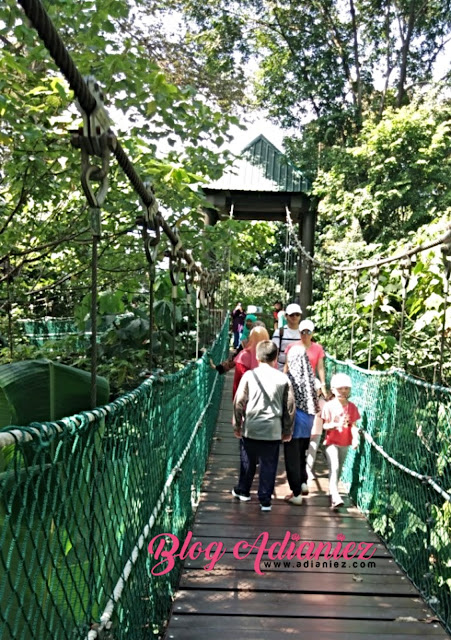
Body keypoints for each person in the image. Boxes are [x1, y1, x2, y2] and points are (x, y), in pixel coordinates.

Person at [232, 340, 295, 511]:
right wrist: (287, 430)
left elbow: (239, 402)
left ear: (258, 357)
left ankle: (243, 491)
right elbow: (290, 407)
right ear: (276, 358)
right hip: (273, 431)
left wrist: (237, 425)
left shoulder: (249, 376)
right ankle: (265, 500)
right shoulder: (283, 379)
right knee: (269, 465)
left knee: (247, 462)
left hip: (251, 428)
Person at [284, 319, 327, 483]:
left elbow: (320, 367)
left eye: (308, 332)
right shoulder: (293, 348)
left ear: (313, 333)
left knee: (298, 445)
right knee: (300, 443)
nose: (305, 335)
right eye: (303, 332)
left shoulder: (317, 348)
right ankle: (303, 478)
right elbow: (287, 367)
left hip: (310, 388)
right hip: (298, 388)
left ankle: (300, 481)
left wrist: (323, 386)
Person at [283, 345, 319, 505]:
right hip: (309, 420)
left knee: (292, 457)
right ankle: (303, 482)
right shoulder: (311, 376)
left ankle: (296, 493)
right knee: (302, 454)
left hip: (294, 421)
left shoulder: (289, 378)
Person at [322, 373, 360, 510]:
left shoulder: (352, 407)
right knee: (335, 466)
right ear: (333, 390)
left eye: (346, 388)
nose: (343, 391)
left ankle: (333, 492)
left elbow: (354, 426)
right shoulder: (329, 406)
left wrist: (355, 439)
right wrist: (331, 425)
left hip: (345, 443)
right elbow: (325, 426)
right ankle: (336, 496)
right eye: (340, 389)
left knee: (338, 471)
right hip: (331, 442)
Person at [232, 326, 270, 397]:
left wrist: (236, 398)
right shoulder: (271, 354)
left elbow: (237, 381)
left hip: (248, 400)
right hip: (267, 399)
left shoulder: (243, 356)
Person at [271, 303, 302, 371]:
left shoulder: (304, 333)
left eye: (297, 314)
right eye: (291, 315)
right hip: (281, 371)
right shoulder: (279, 332)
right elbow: (274, 353)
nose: (295, 317)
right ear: (286, 316)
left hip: (299, 371)